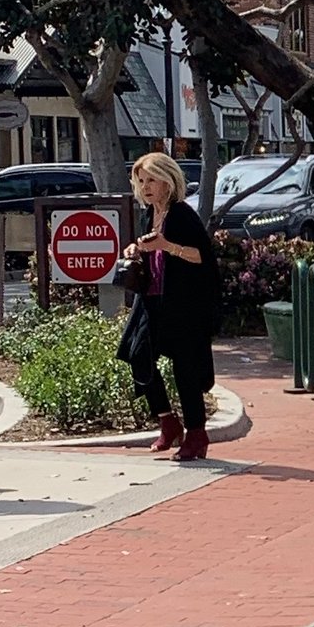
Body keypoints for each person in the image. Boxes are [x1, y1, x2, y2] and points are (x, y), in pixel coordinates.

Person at [120, 152, 220, 462]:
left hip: (184, 303)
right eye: (141, 181)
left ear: (168, 182)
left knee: (185, 368)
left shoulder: (181, 214)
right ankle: (167, 421)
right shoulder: (148, 214)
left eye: (152, 179)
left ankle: (196, 435)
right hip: (151, 299)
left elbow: (201, 256)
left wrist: (167, 246)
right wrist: (136, 249)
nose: (146, 186)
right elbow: (149, 252)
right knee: (137, 355)